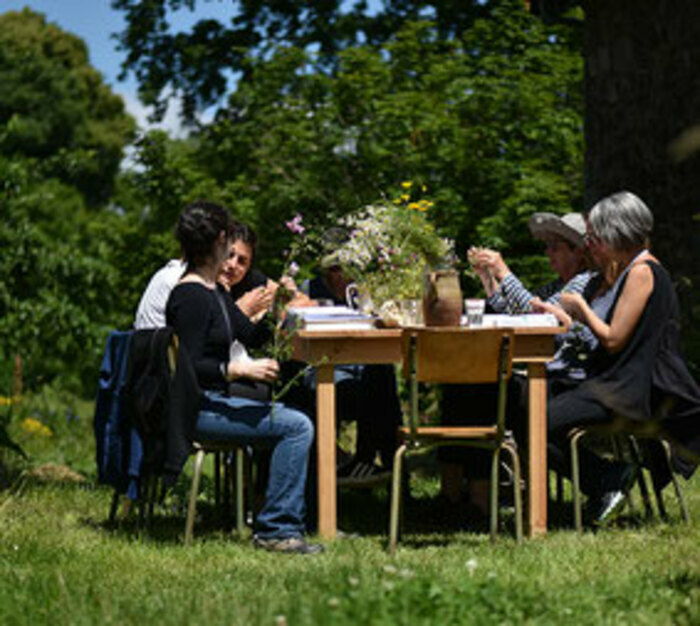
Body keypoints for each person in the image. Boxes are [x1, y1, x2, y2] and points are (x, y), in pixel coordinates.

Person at [165, 200, 322, 554]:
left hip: (214, 402)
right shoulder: (190, 295)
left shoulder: (214, 291)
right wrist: (234, 369)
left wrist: (280, 304)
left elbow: (251, 337)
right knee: (297, 426)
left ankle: (279, 522)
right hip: (198, 409)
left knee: (297, 416)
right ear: (220, 240)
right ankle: (277, 529)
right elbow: (188, 366)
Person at [544, 191, 700, 524]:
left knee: (535, 422)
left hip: (627, 391)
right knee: (524, 403)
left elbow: (613, 339)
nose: (590, 246)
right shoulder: (624, 272)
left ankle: (606, 478)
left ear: (618, 232)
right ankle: (603, 478)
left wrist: (582, 310)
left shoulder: (642, 272)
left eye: (594, 238)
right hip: (610, 384)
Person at [300, 250, 402, 485]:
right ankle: (372, 465)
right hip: (325, 372)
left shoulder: (366, 291)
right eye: (336, 270)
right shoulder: (309, 290)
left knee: (382, 374)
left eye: (350, 269)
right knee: (381, 391)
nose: (343, 276)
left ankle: (384, 468)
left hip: (363, 369)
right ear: (326, 271)